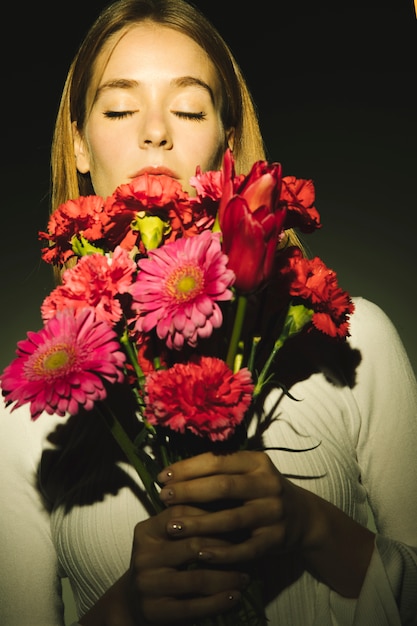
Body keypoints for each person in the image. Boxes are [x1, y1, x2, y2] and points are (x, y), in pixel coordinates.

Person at [1, 0, 416, 625]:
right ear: (80, 147)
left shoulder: (357, 342)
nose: (155, 132)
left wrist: (309, 526)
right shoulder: (25, 422)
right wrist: (128, 610)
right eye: (119, 108)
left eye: (190, 107)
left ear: (228, 141)